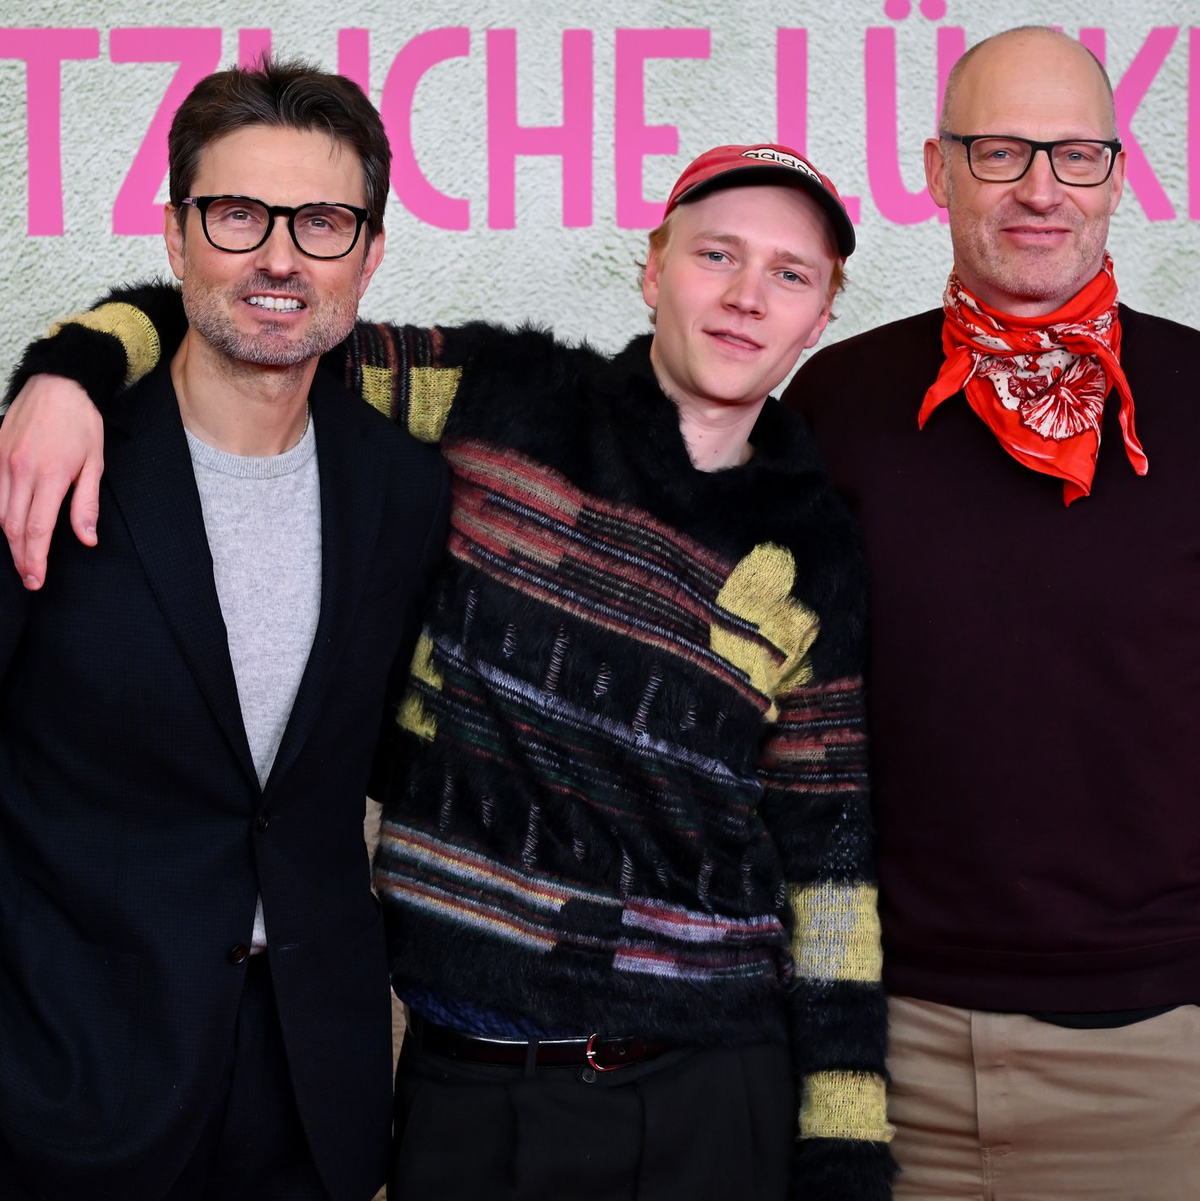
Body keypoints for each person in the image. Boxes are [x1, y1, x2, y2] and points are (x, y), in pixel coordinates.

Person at [0, 145, 895, 1198]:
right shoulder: (495, 396)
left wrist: (846, 1152)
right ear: (654, 268)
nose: (748, 297)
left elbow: (829, 862)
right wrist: (70, 373)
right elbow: (265, 322)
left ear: (821, 316)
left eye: (790, 274)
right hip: (463, 1079)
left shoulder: (811, 549)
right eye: (718, 255)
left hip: (704, 1086)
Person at [0, 58, 449, 1201]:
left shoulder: (402, 487)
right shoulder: (56, 457)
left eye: (325, 221)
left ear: (373, 251)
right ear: (177, 234)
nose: (281, 257)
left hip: (311, 1094)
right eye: (239, 214)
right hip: (69, 1084)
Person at [783, 25, 1200, 1199]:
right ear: (936, 169)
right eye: (1000, 150)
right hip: (886, 1049)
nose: (1037, 189)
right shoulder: (841, 402)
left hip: (1161, 1051)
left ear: (1119, 177)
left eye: (1073, 156)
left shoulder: (1199, 398)